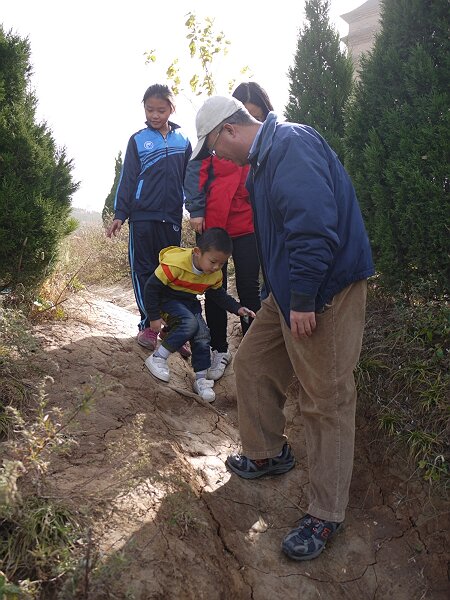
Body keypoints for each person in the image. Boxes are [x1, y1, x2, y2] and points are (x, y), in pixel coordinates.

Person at [190, 96, 375, 561]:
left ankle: (326, 514)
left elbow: (313, 227)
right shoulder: (266, 157)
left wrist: (305, 296)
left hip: (323, 291)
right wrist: (286, 291)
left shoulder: (289, 145)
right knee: (252, 360)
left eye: (212, 147)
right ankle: (268, 451)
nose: (215, 157)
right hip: (290, 289)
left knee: (325, 399)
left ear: (229, 130)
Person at [184, 82, 274, 381]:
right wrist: (196, 209)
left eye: (255, 115)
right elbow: (194, 172)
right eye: (244, 113)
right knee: (214, 289)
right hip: (214, 226)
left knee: (249, 287)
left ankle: (251, 350)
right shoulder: (215, 139)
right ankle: (218, 349)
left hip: (248, 224)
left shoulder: (266, 145)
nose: (249, 120)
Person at [106, 84, 192, 357]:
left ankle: (171, 328)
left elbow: (190, 179)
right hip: (142, 216)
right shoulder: (138, 140)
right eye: (149, 109)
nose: (155, 115)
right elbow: (128, 179)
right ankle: (148, 325)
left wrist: (196, 209)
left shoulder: (183, 141)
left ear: (172, 109)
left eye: (161, 109)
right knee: (144, 270)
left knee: (169, 272)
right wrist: (121, 214)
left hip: (172, 217)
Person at [143, 227, 255, 402]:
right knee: (190, 323)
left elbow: (218, 295)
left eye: (222, 264)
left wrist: (238, 308)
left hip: (189, 302)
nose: (217, 267)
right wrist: (153, 316)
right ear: (197, 252)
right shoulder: (175, 265)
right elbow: (151, 288)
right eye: (213, 262)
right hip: (167, 299)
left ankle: (201, 380)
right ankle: (157, 358)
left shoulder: (215, 274)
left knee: (202, 335)